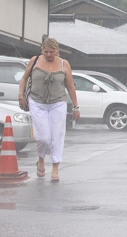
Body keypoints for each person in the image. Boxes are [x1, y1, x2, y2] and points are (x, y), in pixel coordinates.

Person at [18, 37, 80, 182]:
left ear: (57, 51)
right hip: (37, 102)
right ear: (42, 51)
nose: (49, 55)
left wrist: (76, 107)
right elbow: (24, 79)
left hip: (57, 103)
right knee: (43, 137)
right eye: (46, 52)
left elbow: (70, 87)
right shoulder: (35, 61)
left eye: (52, 52)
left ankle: (55, 169)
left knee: (57, 136)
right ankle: (41, 158)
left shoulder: (64, 64)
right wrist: (21, 95)